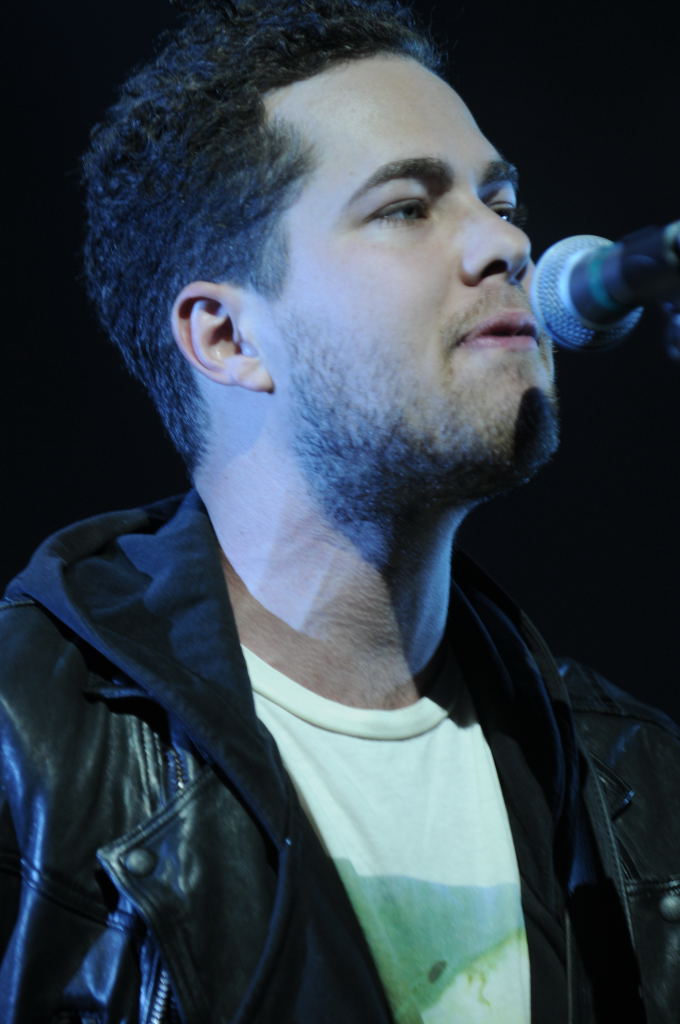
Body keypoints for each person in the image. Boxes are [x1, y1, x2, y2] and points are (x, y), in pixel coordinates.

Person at [1, 0, 678, 1021]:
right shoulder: (25, 745)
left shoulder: (636, 779)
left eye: (502, 201)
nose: (504, 243)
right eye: (406, 208)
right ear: (227, 338)